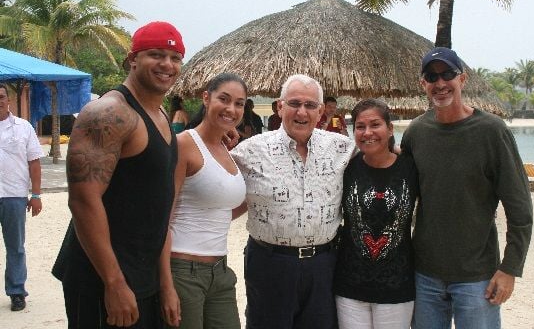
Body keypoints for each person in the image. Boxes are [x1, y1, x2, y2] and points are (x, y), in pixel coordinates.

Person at [51, 21, 185, 328]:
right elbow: (83, 200)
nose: (167, 64)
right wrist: (113, 282)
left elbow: (159, 206)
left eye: (175, 57)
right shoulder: (108, 113)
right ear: (132, 59)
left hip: (144, 275)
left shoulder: (161, 115)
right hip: (102, 277)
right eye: (156, 54)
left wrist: (165, 284)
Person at [400, 47, 533, 329]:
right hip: (424, 275)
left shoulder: (492, 132)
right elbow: (403, 199)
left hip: (477, 276)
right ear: (423, 84)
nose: (440, 83)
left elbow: (519, 207)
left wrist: (510, 268)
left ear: (463, 79)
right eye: (431, 77)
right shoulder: (416, 132)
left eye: (448, 74)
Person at [230, 74, 355, 328]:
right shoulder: (248, 150)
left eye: (310, 105)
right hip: (269, 263)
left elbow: (379, 155)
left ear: (320, 111)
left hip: (324, 265)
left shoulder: (342, 148)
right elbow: (212, 179)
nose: (302, 112)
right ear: (279, 106)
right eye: (294, 103)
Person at [160, 73, 248, 329]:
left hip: (220, 271)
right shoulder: (184, 144)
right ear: (206, 98)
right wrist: (166, 286)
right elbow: (162, 219)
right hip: (182, 271)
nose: (231, 109)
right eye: (224, 99)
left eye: (239, 103)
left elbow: (220, 210)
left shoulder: (226, 150)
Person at [333, 98, 418, 329]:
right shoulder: (345, 167)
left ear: (390, 129)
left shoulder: (411, 169)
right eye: (360, 127)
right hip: (350, 281)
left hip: (397, 282)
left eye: (375, 125)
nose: (367, 132)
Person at [0, 83, 43, 312]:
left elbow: (34, 162)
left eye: (1, 96)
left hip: (14, 196)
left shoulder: (23, 127)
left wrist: (35, 194)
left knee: (15, 246)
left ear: (8, 99)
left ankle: (17, 291)